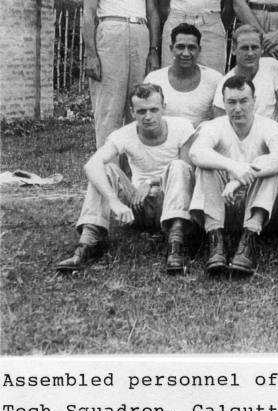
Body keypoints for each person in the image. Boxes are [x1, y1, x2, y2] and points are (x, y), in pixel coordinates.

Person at [57, 84, 196, 274]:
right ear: (132, 112)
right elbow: (91, 164)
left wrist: (150, 182)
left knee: (179, 166)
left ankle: (176, 246)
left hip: (171, 201)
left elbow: (190, 169)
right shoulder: (125, 134)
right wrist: (114, 201)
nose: (148, 117)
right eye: (141, 111)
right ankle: (86, 245)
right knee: (106, 169)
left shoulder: (182, 127)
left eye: (154, 109)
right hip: (136, 206)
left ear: (164, 107)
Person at [189, 75, 278, 275]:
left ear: (254, 100)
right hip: (220, 205)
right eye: (231, 102)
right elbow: (195, 152)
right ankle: (215, 240)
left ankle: (248, 239)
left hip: (255, 207)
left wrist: (237, 181)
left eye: (244, 101)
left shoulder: (269, 126)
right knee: (205, 166)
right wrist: (233, 167)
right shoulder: (214, 126)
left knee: (271, 169)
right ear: (224, 103)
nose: (237, 108)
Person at [82, 0, 161, 147]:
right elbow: (88, 13)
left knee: (140, 102)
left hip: (140, 33)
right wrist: (90, 54)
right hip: (110, 34)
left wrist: (153, 51)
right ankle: (107, 174)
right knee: (109, 108)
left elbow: (153, 13)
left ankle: (133, 175)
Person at [212, 25, 278, 137]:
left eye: (254, 47)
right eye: (244, 48)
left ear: (262, 48)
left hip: (272, 138)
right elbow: (221, 125)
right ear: (233, 50)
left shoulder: (272, 66)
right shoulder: (224, 84)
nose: (250, 53)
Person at [145, 23, 222, 128]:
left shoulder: (215, 79)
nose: (186, 53)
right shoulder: (154, 79)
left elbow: (221, 123)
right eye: (180, 47)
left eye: (191, 48)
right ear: (171, 48)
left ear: (199, 50)